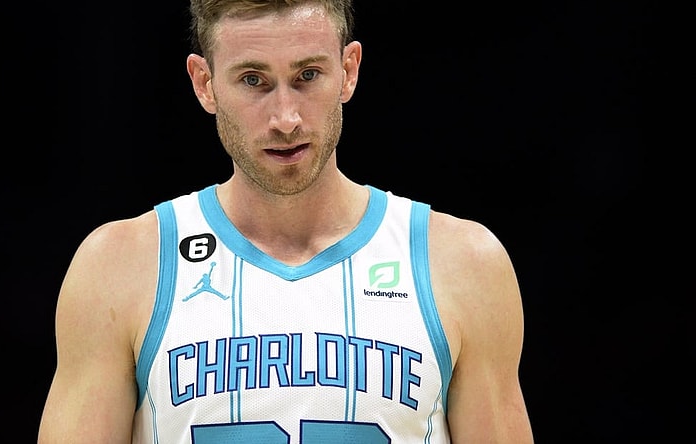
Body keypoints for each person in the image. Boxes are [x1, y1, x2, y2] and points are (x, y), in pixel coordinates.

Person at [37, 0, 534, 442]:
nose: (285, 118)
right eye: (253, 80)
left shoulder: (463, 263)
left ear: (349, 69)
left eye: (307, 75)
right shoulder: (118, 267)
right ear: (204, 84)